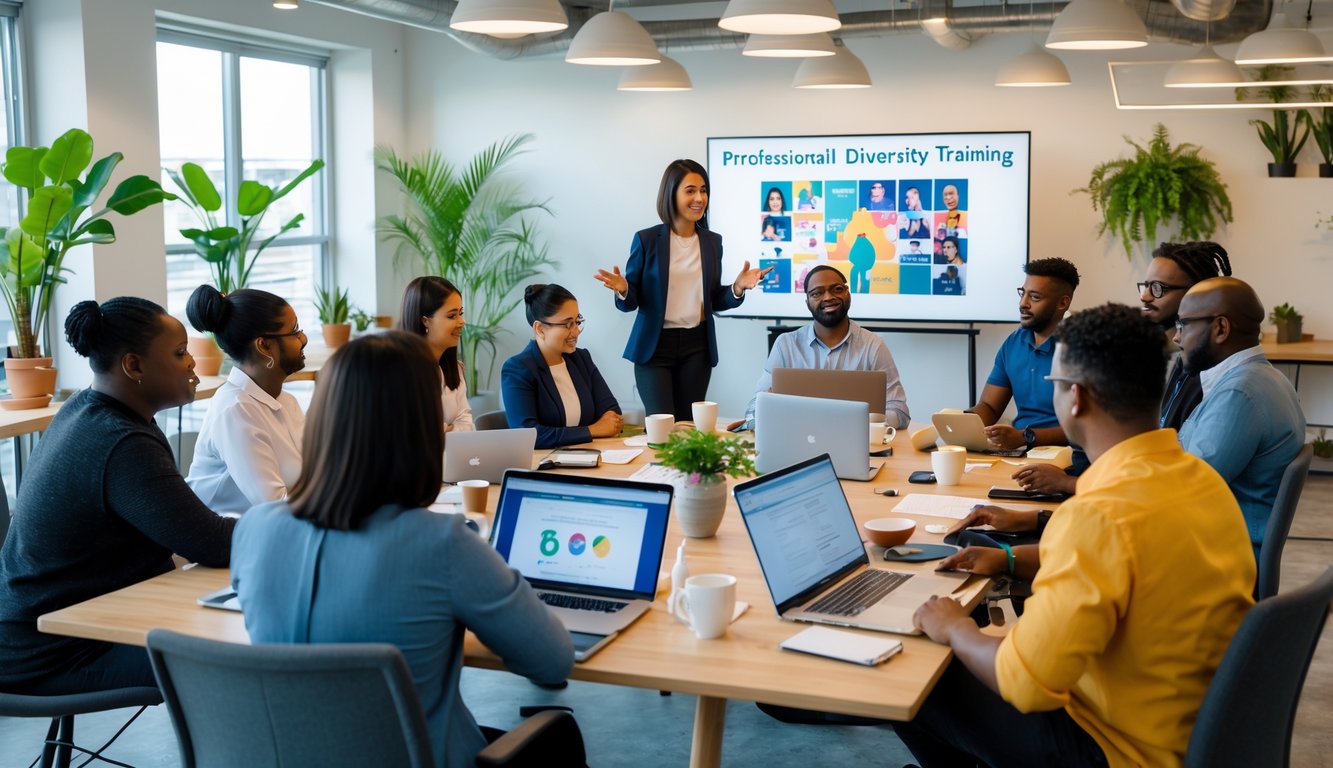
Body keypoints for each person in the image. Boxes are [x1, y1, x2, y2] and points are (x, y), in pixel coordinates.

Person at [896, 303, 1256, 768]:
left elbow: (1024, 685)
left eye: (1055, 384)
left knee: (918, 670)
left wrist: (955, 627)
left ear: (1076, 398)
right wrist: (1007, 560)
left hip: (1112, 748)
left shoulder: (1095, 516)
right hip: (1183, 726)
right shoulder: (1198, 479)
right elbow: (1126, 565)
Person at [231, 331, 573, 768]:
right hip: (419, 756)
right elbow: (551, 662)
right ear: (422, 429)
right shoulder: (443, 543)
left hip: (297, 753)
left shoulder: (254, 530)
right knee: (560, 738)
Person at [0, 298, 234, 695]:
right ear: (134, 365)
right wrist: (302, 524)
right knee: (237, 656)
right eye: (180, 354)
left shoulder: (88, 409)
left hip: (43, 632)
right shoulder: (119, 440)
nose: (193, 362)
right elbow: (210, 543)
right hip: (51, 652)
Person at [1017, 240, 1234, 496]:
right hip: (1114, 483)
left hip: (1128, 495)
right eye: (1146, 286)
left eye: (1158, 288)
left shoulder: (1201, 372)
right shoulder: (1163, 355)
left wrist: (1069, 485)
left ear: (1196, 294)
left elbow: (1173, 481)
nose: (1144, 296)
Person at [595, 159, 770, 420]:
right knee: (662, 426)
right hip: (655, 348)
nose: (699, 197)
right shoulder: (646, 240)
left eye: (703, 190)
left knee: (688, 427)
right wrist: (623, 289)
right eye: (690, 190)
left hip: (696, 348)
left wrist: (736, 288)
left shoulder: (712, 242)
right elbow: (631, 302)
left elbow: (713, 299)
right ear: (671, 194)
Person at [1175, 277, 1304, 555]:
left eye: (1183, 324)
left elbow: (1185, 489)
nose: (1176, 337)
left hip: (1221, 560)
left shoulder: (1239, 393)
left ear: (1221, 328)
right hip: (1221, 548)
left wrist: (1075, 483)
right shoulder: (1265, 377)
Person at [185, 285, 307, 515]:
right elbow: (275, 506)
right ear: (264, 346)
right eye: (294, 331)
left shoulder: (286, 400)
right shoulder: (235, 410)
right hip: (228, 542)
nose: (303, 338)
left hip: (278, 530)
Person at [739, 265, 909, 430]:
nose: (828, 297)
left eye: (836, 289)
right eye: (817, 293)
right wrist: (758, 416)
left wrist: (861, 423)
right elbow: (754, 409)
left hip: (857, 446)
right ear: (807, 302)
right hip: (798, 442)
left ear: (848, 293)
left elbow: (900, 411)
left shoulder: (873, 346)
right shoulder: (786, 345)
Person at [968, 258, 1080, 452]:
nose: (1023, 304)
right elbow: (989, 406)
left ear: (1062, 303)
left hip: (1067, 457)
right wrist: (964, 426)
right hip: (1020, 450)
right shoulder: (1013, 342)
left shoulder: (1082, 346)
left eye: (1034, 297)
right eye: (1023, 293)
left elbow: (1085, 427)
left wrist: (1025, 437)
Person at [501, 283, 623, 449]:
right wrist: (592, 430)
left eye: (577, 321)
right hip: (546, 464)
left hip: (589, 455)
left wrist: (600, 427)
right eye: (567, 324)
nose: (576, 331)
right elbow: (527, 435)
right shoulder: (518, 369)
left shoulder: (581, 359)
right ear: (540, 328)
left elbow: (612, 413)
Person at [399, 275, 473, 432]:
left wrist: (447, 431)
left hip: (451, 456)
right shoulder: (399, 373)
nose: (462, 321)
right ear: (425, 321)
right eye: (452, 316)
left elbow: (467, 423)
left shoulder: (454, 368)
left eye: (461, 313)